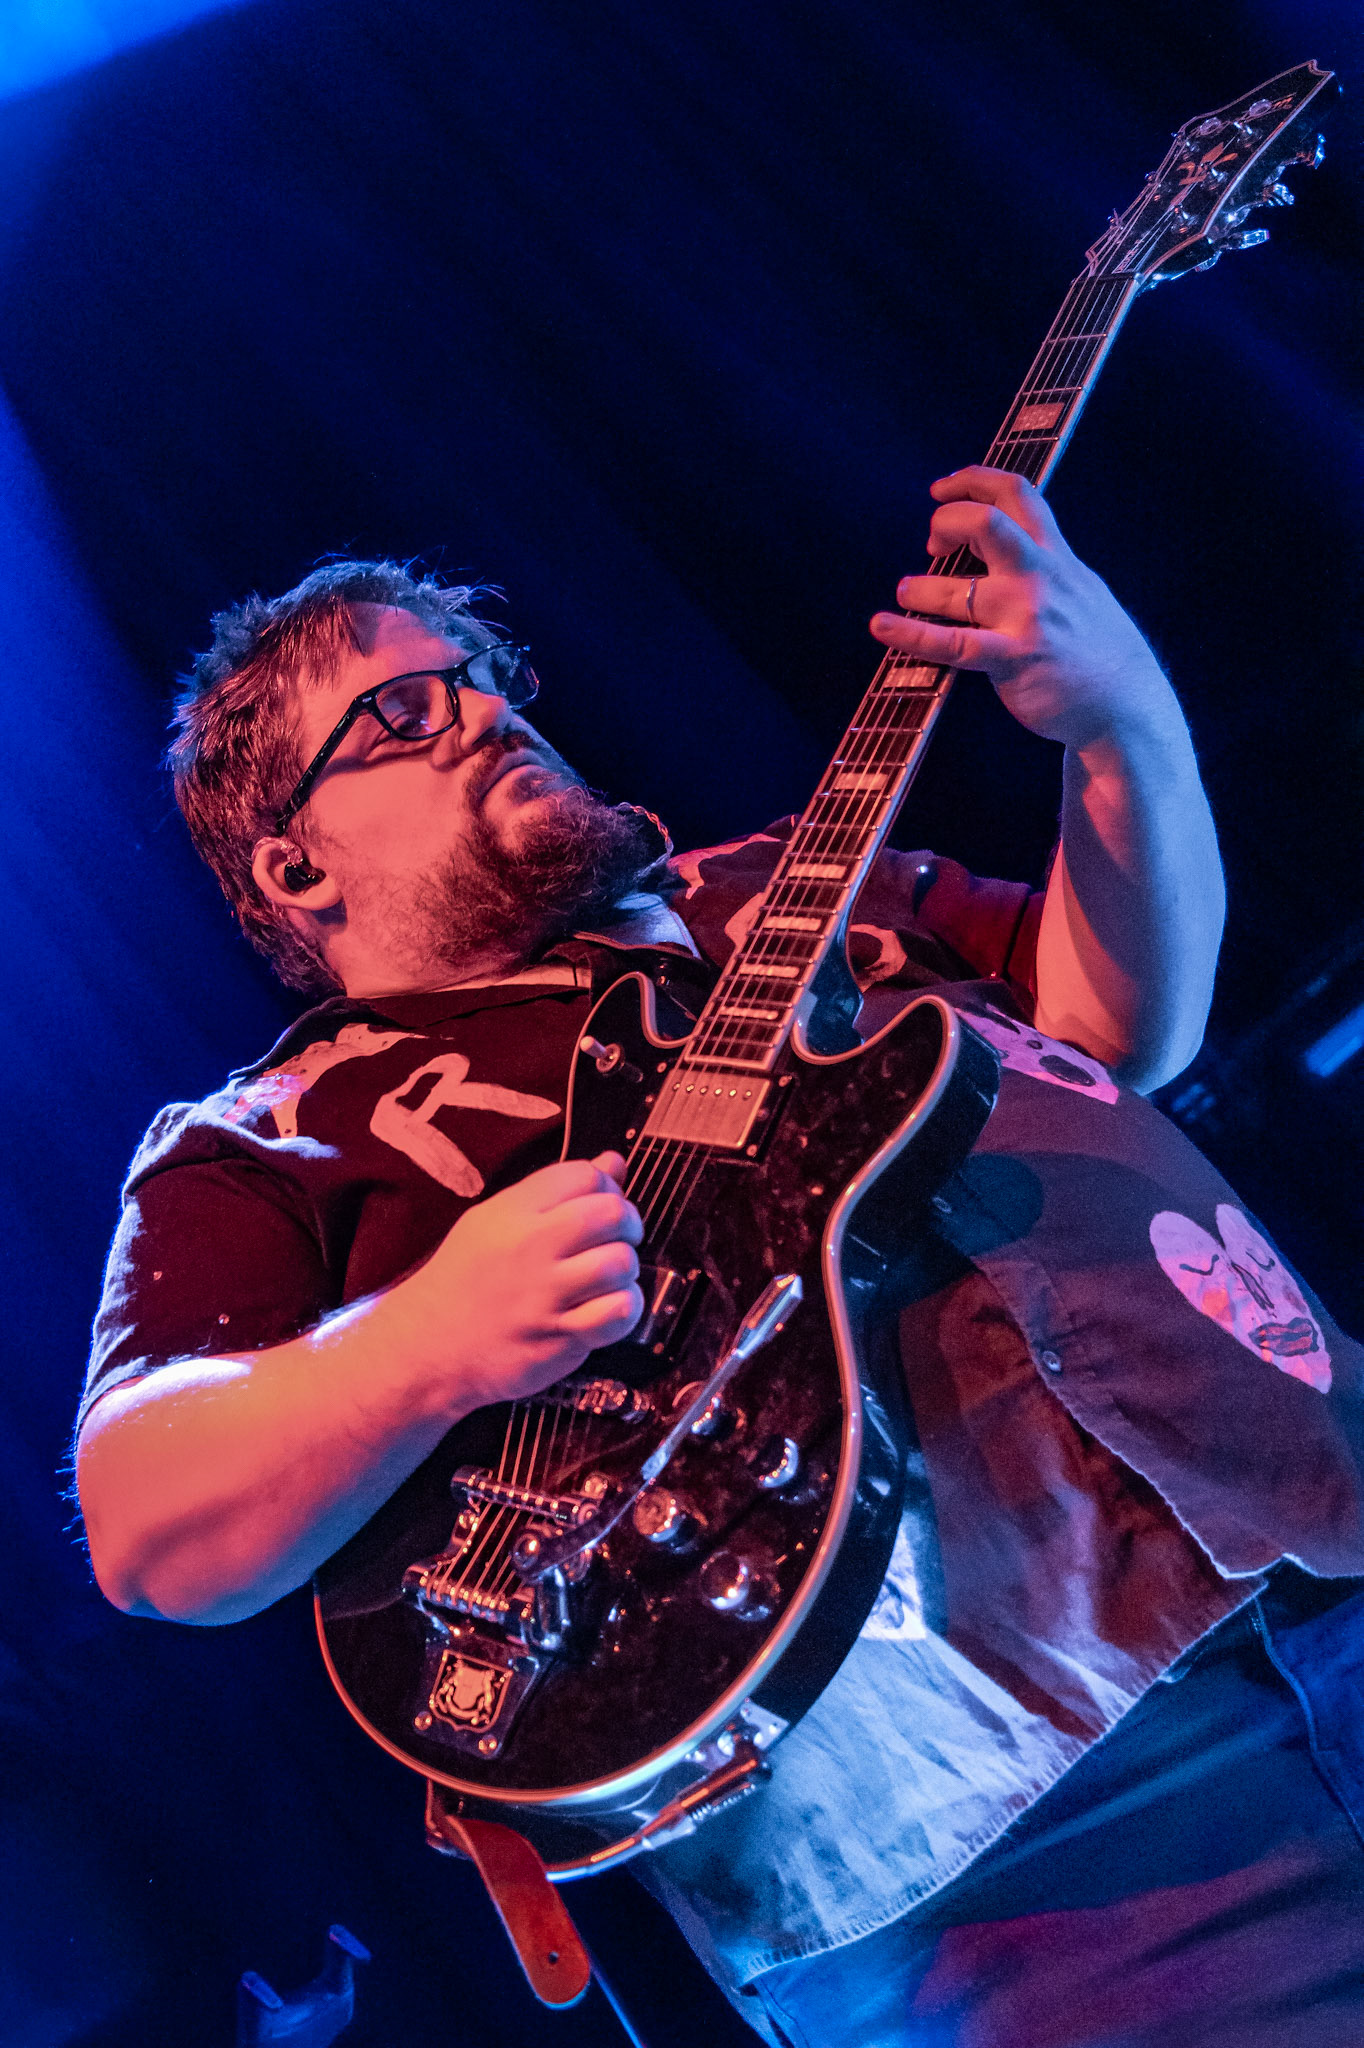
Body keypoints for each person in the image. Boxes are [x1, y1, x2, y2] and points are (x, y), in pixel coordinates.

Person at [76, 469, 1364, 2047]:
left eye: (484, 677)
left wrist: (1123, 730)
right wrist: (427, 1343)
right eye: (404, 712)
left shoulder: (780, 888)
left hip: (1313, 1518)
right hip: (1009, 1825)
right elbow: (147, 1525)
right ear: (296, 869)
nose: (483, 712)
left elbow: (1112, 1027)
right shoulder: (274, 1135)